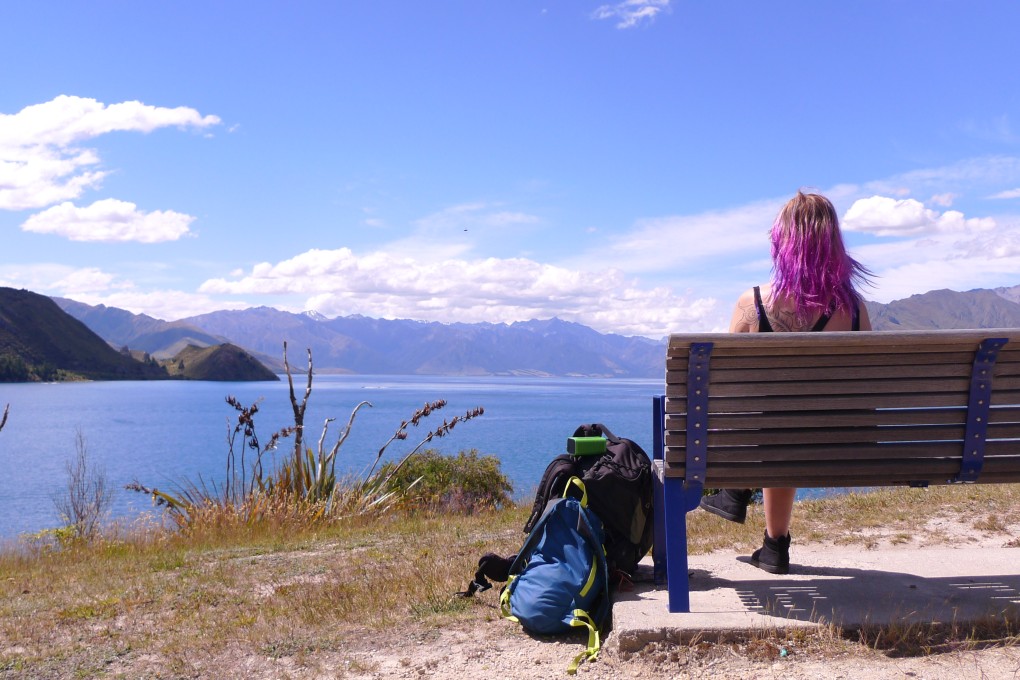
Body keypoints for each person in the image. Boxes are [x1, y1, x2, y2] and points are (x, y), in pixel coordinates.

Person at [699, 190, 873, 574]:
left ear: (784, 244)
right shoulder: (856, 310)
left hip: (772, 444)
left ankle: (735, 489)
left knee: (776, 424)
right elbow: (863, 388)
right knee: (793, 424)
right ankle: (774, 545)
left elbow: (725, 390)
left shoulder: (752, 303)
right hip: (842, 447)